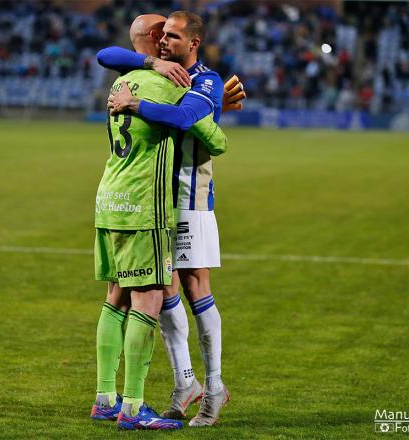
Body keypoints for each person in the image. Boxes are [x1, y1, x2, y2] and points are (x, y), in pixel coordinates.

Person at [105, 10, 245, 427]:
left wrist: (135, 102)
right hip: (156, 198)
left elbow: (184, 118)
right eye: (161, 35)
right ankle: (186, 381)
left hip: (189, 196)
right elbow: (106, 53)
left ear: (194, 43)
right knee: (162, 285)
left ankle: (214, 386)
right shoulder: (165, 73)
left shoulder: (206, 81)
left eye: (173, 36)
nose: (164, 41)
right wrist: (151, 63)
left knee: (193, 283)